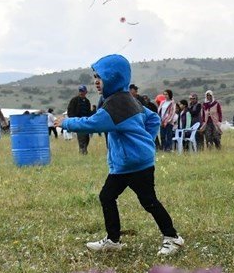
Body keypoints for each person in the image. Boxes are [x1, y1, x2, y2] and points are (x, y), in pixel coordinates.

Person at [55, 54, 184, 255]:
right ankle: (113, 240)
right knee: (107, 196)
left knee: (148, 201)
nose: (96, 81)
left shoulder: (116, 105)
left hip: (135, 164)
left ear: (114, 77)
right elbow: (153, 120)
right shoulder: (127, 100)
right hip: (129, 162)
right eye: (95, 76)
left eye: (101, 76)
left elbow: (92, 124)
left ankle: (173, 238)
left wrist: (65, 122)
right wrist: (146, 142)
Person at [67, 84, 94, 155]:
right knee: (82, 138)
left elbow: (88, 112)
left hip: (86, 122)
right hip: (78, 122)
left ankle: (84, 151)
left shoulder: (87, 101)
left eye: (82, 91)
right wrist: (73, 120)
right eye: (80, 91)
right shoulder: (74, 100)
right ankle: (83, 152)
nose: (81, 92)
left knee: (87, 138)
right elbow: (70, 111)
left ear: (86, 92)